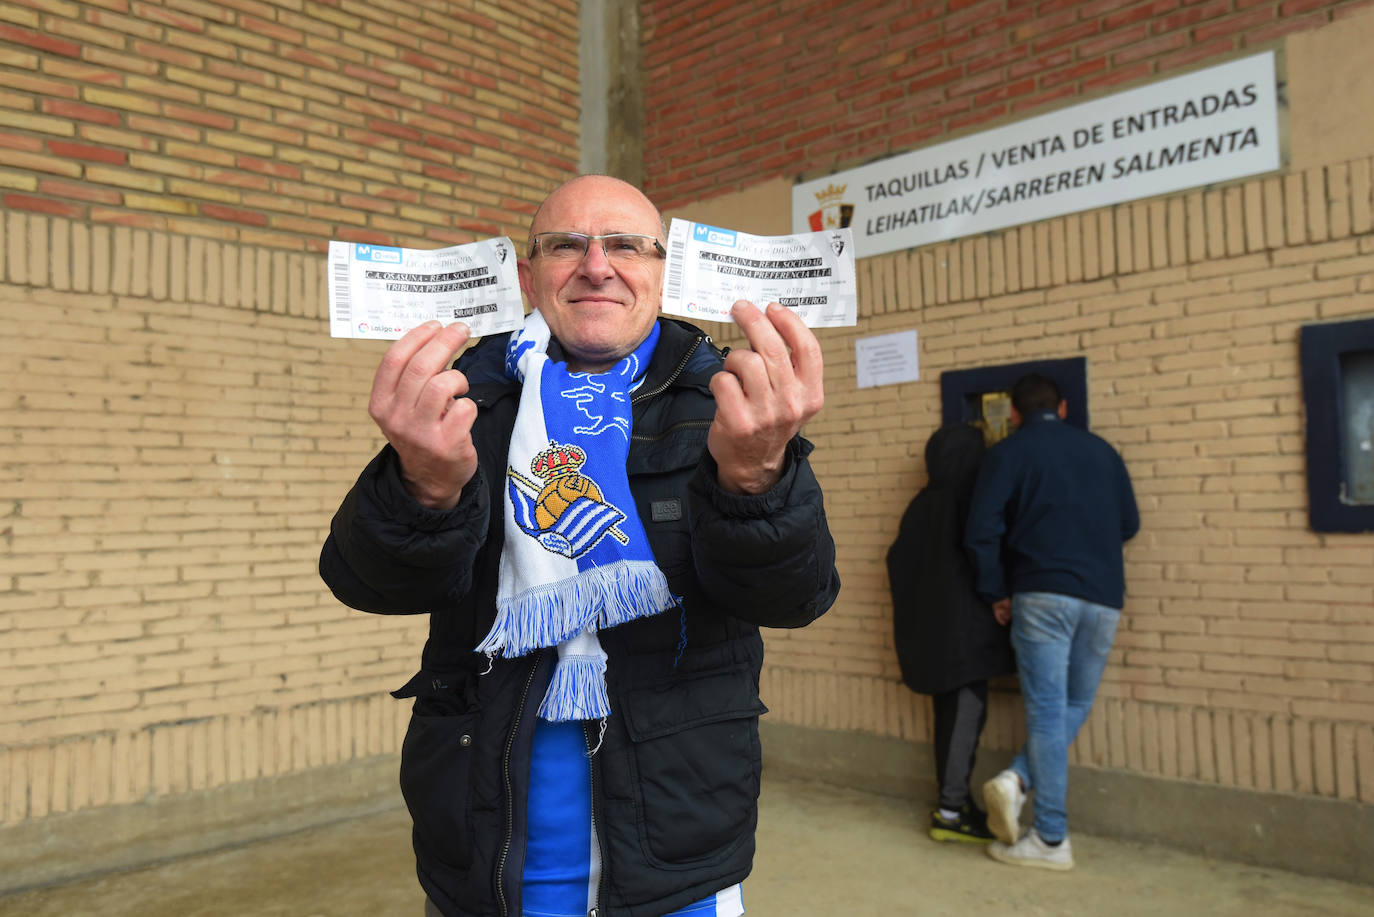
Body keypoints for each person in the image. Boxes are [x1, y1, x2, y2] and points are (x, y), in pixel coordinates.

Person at [319, 174, 840, 917]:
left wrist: (755, 479)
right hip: (484, 849)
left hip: (676, 849)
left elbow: (795, 597)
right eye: (567, 244)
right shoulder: (464, 401)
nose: (598, 265)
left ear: (663, 273)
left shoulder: (725, 402)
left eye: (626, 244)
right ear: (529, 276)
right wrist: (423, 487)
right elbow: (369, 583)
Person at [963, 373, 1138, 871]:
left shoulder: (1008, 453)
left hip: (1040, 594)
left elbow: (981, 530)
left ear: (1014, 413)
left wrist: (995, 590)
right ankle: (1022, 791)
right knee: (1076, 701)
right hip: (1103, 597)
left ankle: (1050, 834)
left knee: (1045, 710)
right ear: (1062, 408)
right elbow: (1130, 525)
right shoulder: (1103, 452)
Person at [887, 423, 1015, 844]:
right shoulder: (970, 502)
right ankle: (951, 810)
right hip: (966, 641)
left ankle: (952, 802)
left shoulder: (920, 505)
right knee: (964, 719)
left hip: (931, 639)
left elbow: (899, 564)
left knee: (949, 721)